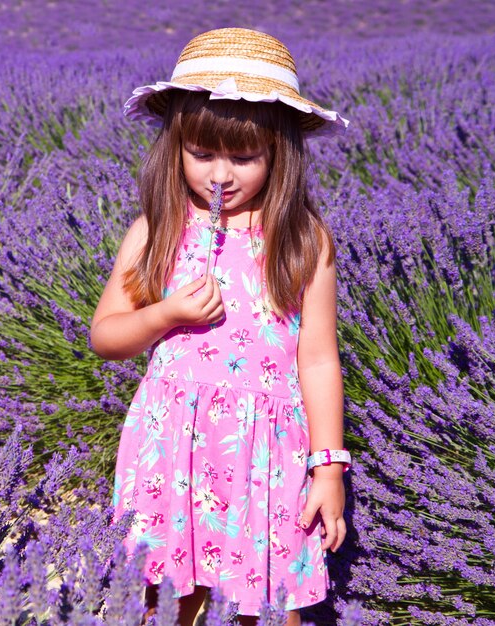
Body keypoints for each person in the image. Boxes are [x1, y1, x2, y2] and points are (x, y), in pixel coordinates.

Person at [91, 27, 351, 626]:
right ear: (174, 145)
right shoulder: (157, 231)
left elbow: (317, 360)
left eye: (244, 156)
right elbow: (106, 336)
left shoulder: (303, 242)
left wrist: (329, 466)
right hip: (171, 447)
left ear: (280, 152)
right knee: (161, 600)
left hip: (267, 456)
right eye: (202, 154)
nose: (221, 175)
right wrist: (165, 315)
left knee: (268, 596)